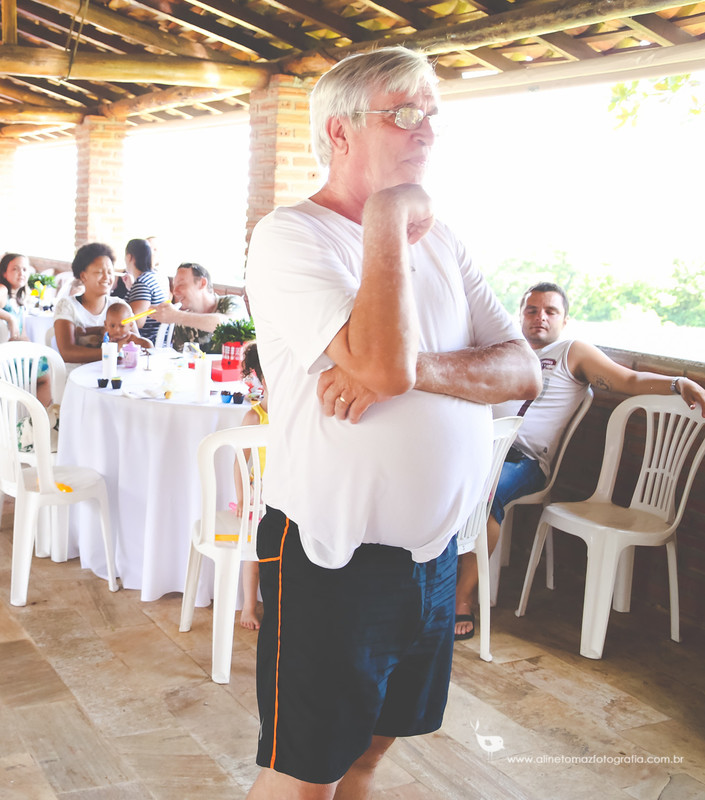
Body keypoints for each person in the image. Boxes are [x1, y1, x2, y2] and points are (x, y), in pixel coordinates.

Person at [245, 47, 540, 798]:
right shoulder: (291, 237)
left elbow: (522, 371)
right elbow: (379, 363)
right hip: (331, 555)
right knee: (304, 774)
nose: (429, 130)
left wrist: (418, 372)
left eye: (433, 113)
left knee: (373, 752)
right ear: (339, 133)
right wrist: (387, 212)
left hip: (434, 557)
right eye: (405, 113)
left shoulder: (445, 240)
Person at [453, 281, 705, 640]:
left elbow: (629, 379)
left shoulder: (571, 352)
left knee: (484, 498)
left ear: (564, 320)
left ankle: (460, 601)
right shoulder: (508, 349)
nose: (540, 318)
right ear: (520, 316)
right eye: (532, 310)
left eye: (550, 311)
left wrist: (677, 382)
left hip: (525, 460)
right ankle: (418, 584)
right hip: (480, 447)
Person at [0, 252, 53, 404]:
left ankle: (35, 420)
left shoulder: (19, 301)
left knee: (44, 363)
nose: (21, 273)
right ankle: (38, 422)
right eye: (15, 269)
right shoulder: (1, 289)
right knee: (45, 374)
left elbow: (22, 336)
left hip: (7, 355)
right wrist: (9, 317)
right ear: (4, 272)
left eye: (24, 269)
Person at [233, 341, 267, 631]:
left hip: (288, 493)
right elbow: (240, 463)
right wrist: (243, 496)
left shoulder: (295, 415)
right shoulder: (255, 416)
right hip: (260, 497)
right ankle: (248, 606)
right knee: (252, 556)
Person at [53, 243, 128, 365]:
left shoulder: (119, 306)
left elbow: (134, 343)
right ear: (83, 276)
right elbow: (67, 352)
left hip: (116, 377)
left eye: (110, 272)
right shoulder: (67, 306)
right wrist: (112, 352)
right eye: (99, 272)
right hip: (78, 378)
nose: (106, 277)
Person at [151, 262, 247, 351]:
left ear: (202, 283)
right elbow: (181, 362)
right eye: (174, 286)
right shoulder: (182, 322)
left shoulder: (233, 301)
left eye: (181, 284)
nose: (175, 291)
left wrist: (176, 316)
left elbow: (228, 325)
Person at [123, 238, 167, 343]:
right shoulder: (156, 277)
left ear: (129, 257)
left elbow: (136, 322)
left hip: (146, 342)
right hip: (158, 340)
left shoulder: (142, 283)